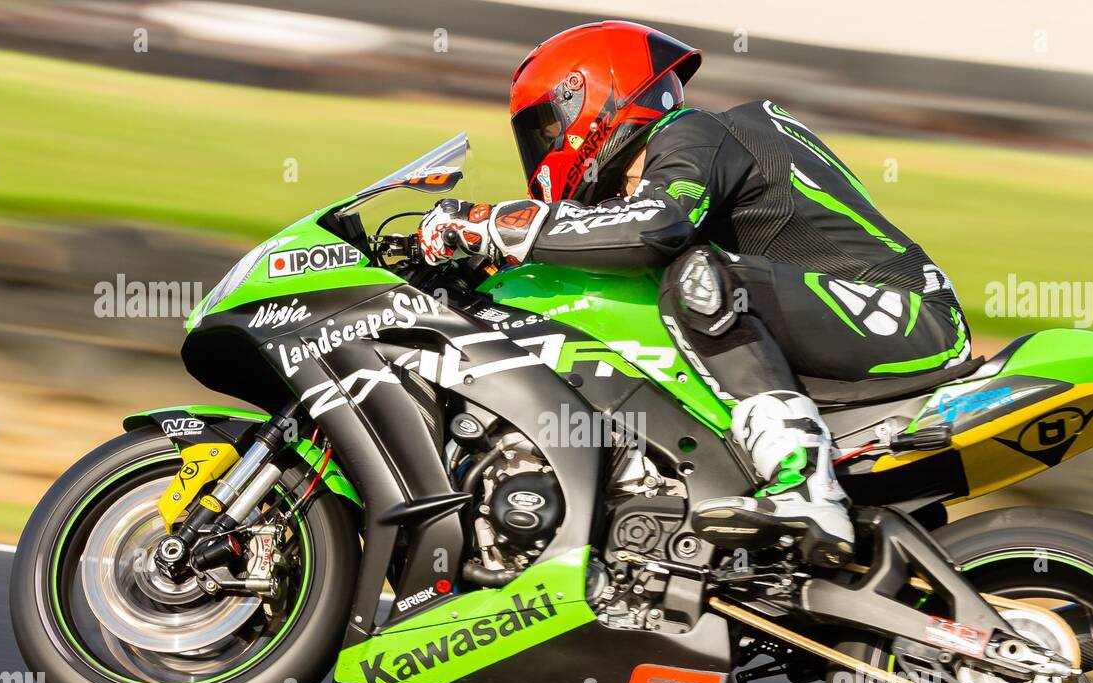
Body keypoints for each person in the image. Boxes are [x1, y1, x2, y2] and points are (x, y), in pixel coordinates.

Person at [415, 20, 971, 565]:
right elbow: (624, 232)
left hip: (902, 314)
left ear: (591, 99)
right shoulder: (679, 159)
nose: (543, 148)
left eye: (546, 127)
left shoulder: (695, 130)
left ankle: (803, 480)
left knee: (699, 279)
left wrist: (495, 224)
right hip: (853, 316)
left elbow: (653, 230)